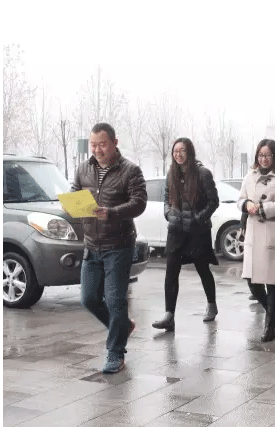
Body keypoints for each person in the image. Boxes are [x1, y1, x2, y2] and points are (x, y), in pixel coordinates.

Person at [71, 123, 147, 374]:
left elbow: (139, 203)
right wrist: (71, 204)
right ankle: (123, 326)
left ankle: (115, 353)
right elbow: (74, 193)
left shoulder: (130, 171)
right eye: (93, 145)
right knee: (89, 299)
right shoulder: (83, 168)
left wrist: (112, 212)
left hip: (119, 245)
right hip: (91, 244)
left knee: (115, 300)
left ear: (115, 142)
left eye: (102, 144)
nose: (97, 150)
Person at [152, 138, 220, 332]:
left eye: (182, 150)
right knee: (171, 271)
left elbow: (213, 201)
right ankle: (169, 315)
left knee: (202, 268)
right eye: (175, 151)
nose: (178, 154)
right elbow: (166, 198)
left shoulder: (202, 173)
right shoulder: (171, 174)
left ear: (189, 152)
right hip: (176, 230)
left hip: (197, 231)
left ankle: (212, 304)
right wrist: (168, 214)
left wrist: (199, 218)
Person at [238, 139, 275, 342]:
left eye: (267, 155)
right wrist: (246, 205)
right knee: (251, 281)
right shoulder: (250, 176)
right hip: (254, 235)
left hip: (273, 234)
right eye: (260, 155)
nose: (263, 159)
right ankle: (269, 311)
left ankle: (269, 324)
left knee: (272, 282)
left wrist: (262, 208)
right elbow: (240, 199)